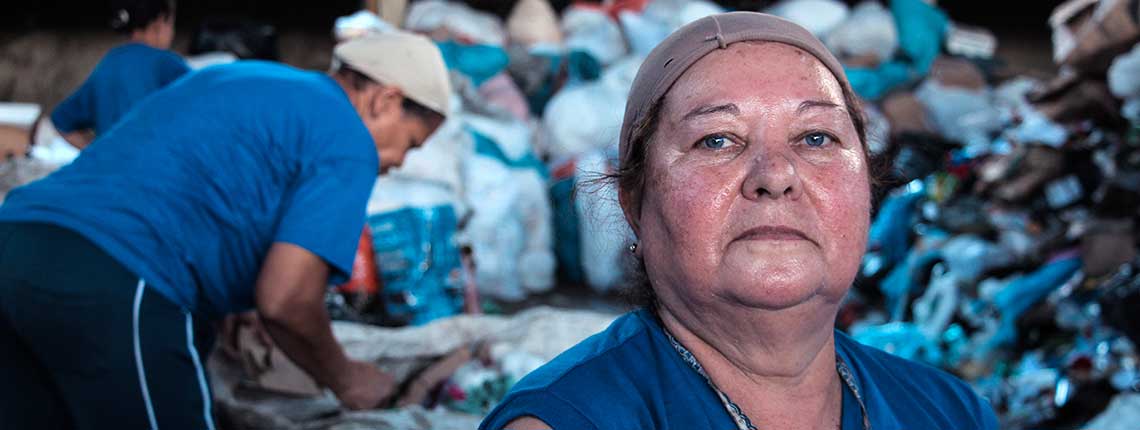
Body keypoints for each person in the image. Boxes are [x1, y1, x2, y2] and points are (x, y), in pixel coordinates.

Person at [481, 12, 999, 430]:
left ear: (866, 186)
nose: (776, 175)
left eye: (816, 138)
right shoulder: (569, 422)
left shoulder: (950, 412)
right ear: (634, 202)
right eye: (717, 140)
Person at [0, 32, 451, 429]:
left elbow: (188, 187)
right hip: (115, 276)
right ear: (385, 100)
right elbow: (287, 300)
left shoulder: (244, 79)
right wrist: (346, 377)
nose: (398, 164)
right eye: (410, 144)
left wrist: (232, 297)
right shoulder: (349, 137)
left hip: (16, 245)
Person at [51, 0, 190, 149]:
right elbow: (207, 106)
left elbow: (61, 122)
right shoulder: (167, 63)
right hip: (155, 169)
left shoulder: (109, 63)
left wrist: (97, 153)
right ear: (161, 21)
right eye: (172, 24)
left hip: (109, 170)